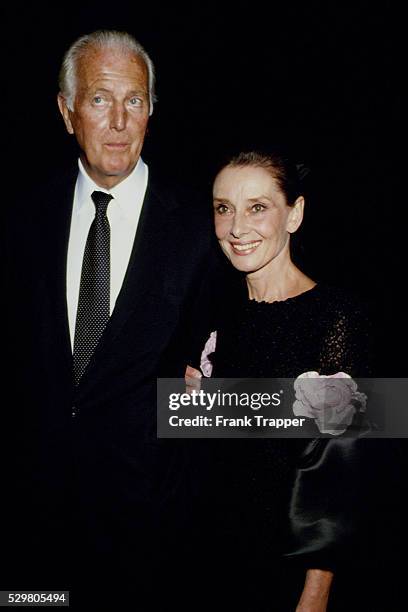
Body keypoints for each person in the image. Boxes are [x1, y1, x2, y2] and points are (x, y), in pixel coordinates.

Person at [4, 30, 221, 608]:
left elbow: (231, 387)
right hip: (32, 536)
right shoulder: (21, 221)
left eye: (136, 100)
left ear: (152, 110)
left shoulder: (205, 230)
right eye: (101, 99)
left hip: (150, 542)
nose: (120, 121)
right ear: (66, 110)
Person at [186, 150, 403, 611]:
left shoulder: (337, 316)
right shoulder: (219, 315)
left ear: (295, 214)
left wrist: (315, 591)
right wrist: (195, 410)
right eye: (224, 208)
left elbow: (342, 472)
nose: (237, 227)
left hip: (285, 570)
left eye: (257, 207)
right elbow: (224, 449)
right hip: (211, 556)